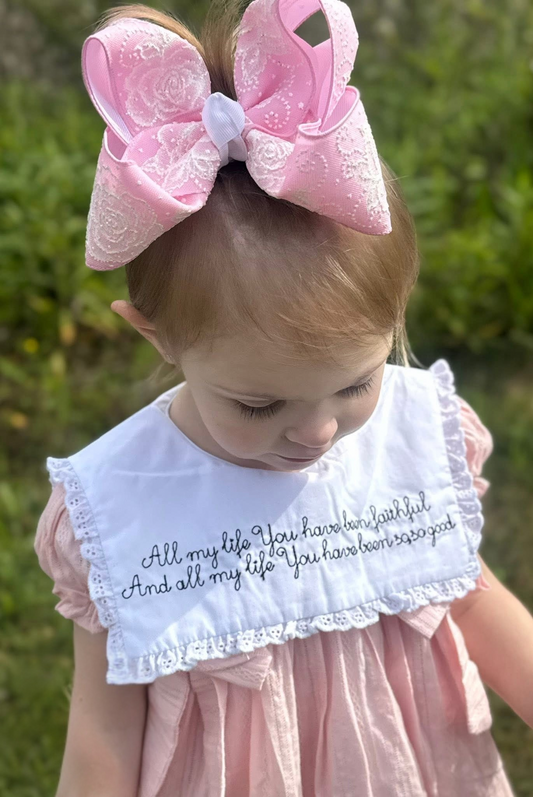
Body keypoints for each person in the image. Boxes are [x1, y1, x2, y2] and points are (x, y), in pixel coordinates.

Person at [33, 1, 533, 795]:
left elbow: (469, 598)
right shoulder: (121, 507)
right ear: (158, 336)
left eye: (356, 381)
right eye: (259, 405)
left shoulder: (410, 438)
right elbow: (103, 729)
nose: (318, 431)